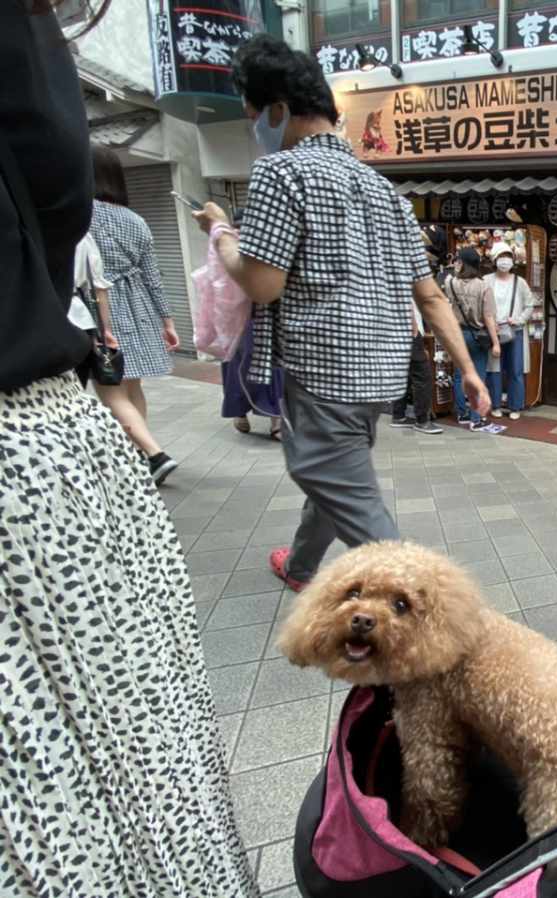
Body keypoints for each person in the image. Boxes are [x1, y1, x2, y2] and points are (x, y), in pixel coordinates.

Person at [0, 4, 258, 895]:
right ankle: (141, 437)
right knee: (137, 746)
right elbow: (50, 179)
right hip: (41, 415)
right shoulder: (125, 221)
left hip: (62, 382)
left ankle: (142, 437)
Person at [193, 34, 489, 591]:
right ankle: (302, 567)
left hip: (325, 372)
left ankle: (426, 607)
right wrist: (467, 370)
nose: (255, 127)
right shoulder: (385, 191)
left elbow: (261, 283)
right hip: (381, 375)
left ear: (279, 111)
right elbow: (429, 296)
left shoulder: (282, 174)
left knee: (332, 477)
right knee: (338, 473)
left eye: (255, 115)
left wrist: (220, 232)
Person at [89, 145, 181, 484]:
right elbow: (152, 276)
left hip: (103, 310)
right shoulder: (136, 220)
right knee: (133, 388)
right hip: (139, 307)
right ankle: (139, 456)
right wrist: (167, 321)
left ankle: (154, 454)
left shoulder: (81, 215)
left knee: (111, 392)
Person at [220, 211, 283, 438]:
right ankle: (240, 412)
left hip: (266, 315)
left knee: (273, 365)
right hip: (237, 319)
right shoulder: (226, 249)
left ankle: (277, 419)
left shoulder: (266, 248)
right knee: (238, 366)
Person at [391, 238, 443, 435]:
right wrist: (413, 325)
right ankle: (422, 420)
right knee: (422, 375)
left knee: (402, 374)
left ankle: (398, 415)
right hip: (407, 331)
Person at [446, 246, 500, 431]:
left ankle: (462, 413)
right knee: (477, 375)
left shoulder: (450, 282)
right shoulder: (484, 286)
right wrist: (496, 343)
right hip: (477, 336)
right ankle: (476, 419)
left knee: (460, 375)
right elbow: (489, 317)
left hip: (457, 334)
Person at [483, 240, 534, 420]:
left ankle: (515, 406)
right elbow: (481, 305)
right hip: (493, 331)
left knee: (515, 369)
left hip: (515, 331)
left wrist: (518, 320)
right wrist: (488, 323)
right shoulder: (486, 280)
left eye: (508, 257)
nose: (505, 261)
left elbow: (530, 305)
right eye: (501, 257)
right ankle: (495, 405)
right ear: (494, 259)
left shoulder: (520, 282)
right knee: (494, 369)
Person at [70, 230, 119, 386]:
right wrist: (106, 330)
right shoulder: (80, 232)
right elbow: (98, 287)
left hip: (29, 323)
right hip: (78, 319)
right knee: (75, 391)